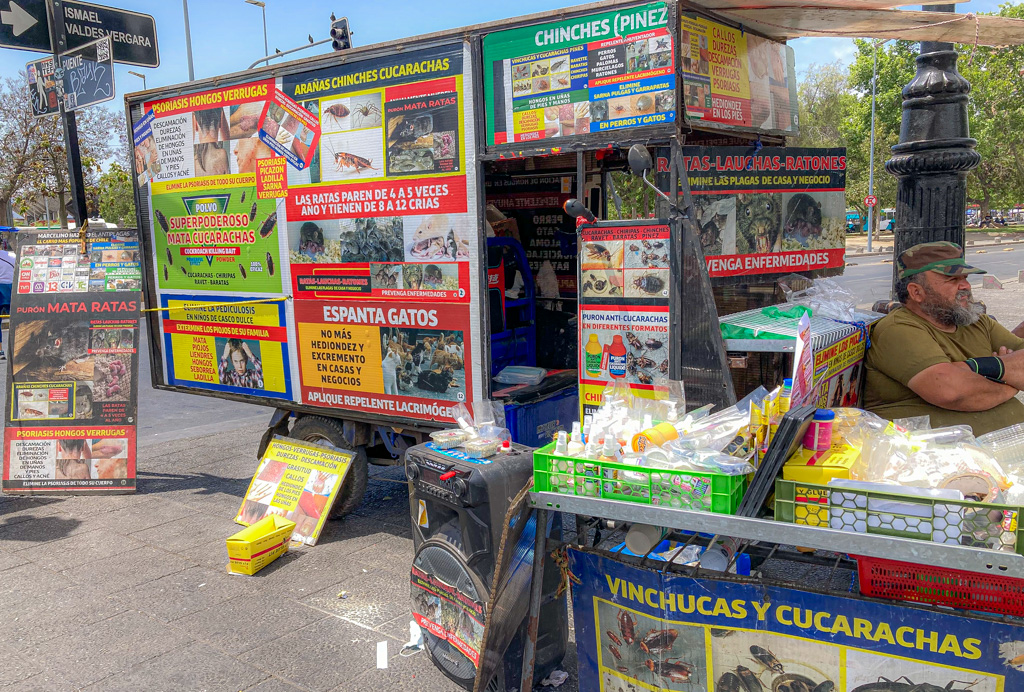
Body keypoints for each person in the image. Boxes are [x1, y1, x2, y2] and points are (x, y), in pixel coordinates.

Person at [864, 241, 1024, 436]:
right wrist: (1010, 378)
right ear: (916, 292)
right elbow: (952, 392)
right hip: (933, 457)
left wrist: (983, 369)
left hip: (999, 449)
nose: (965, 285)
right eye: (952, 279)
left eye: (964, 277)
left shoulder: (977, 322)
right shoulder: (898, 328)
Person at [0, 247, 14, 361]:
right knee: (15, 321)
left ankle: (0, 351)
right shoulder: (12, 256)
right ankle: (16, 350)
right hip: (11, 288)